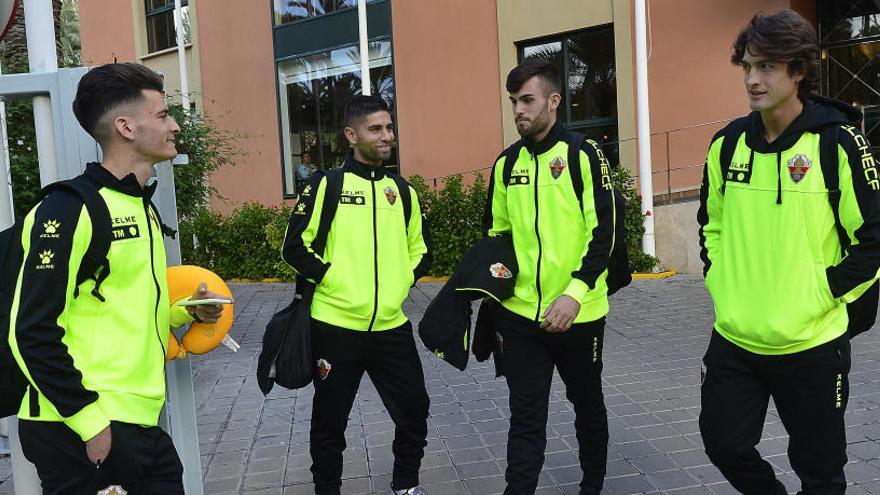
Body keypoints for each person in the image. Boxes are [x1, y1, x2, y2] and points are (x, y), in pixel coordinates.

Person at [7, 63, 226, 495]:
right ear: (126, 126)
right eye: (162, 115)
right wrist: (91, 424)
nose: (175, 125)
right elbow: (29, 330)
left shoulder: (141, 205)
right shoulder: (68, 210)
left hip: (136, 422)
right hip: (82, 425)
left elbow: (115, 304)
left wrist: (184, 312)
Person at [697, 10, 880, 494]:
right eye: (747, 67)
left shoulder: (837, 144)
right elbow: (709, 226)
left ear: (799, 70)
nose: (753, 80)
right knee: (724, 444)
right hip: (736, 339)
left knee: (821, 476)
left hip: (812, 345)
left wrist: (820, 292)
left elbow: (872, 238)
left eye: (767, 67)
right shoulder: (727, 145)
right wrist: (722, 281)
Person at [282, 95, 432, 495]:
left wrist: (401, 282)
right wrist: (334, 281)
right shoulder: (325, 186)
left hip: (391, 328)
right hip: (335, 327)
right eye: (376, 129)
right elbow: (295, 247)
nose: (387, 137)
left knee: (415, 411)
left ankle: (405, 485)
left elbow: (421, 249)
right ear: (351, 135)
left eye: (389, 128)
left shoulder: (402, 191)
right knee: (330, 423)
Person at [483, 58, 615, 495]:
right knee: (525, 416)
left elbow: (605, 235)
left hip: (578, 313)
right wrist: (492, 290)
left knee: (587, 406)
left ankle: (591, 486)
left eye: (527, 100)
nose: (518, 110)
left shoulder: (583, 154)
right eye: (513, 102)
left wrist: (575, 295)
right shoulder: (505, 165)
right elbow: (496, 236)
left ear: (553, 101)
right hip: (521, 317)